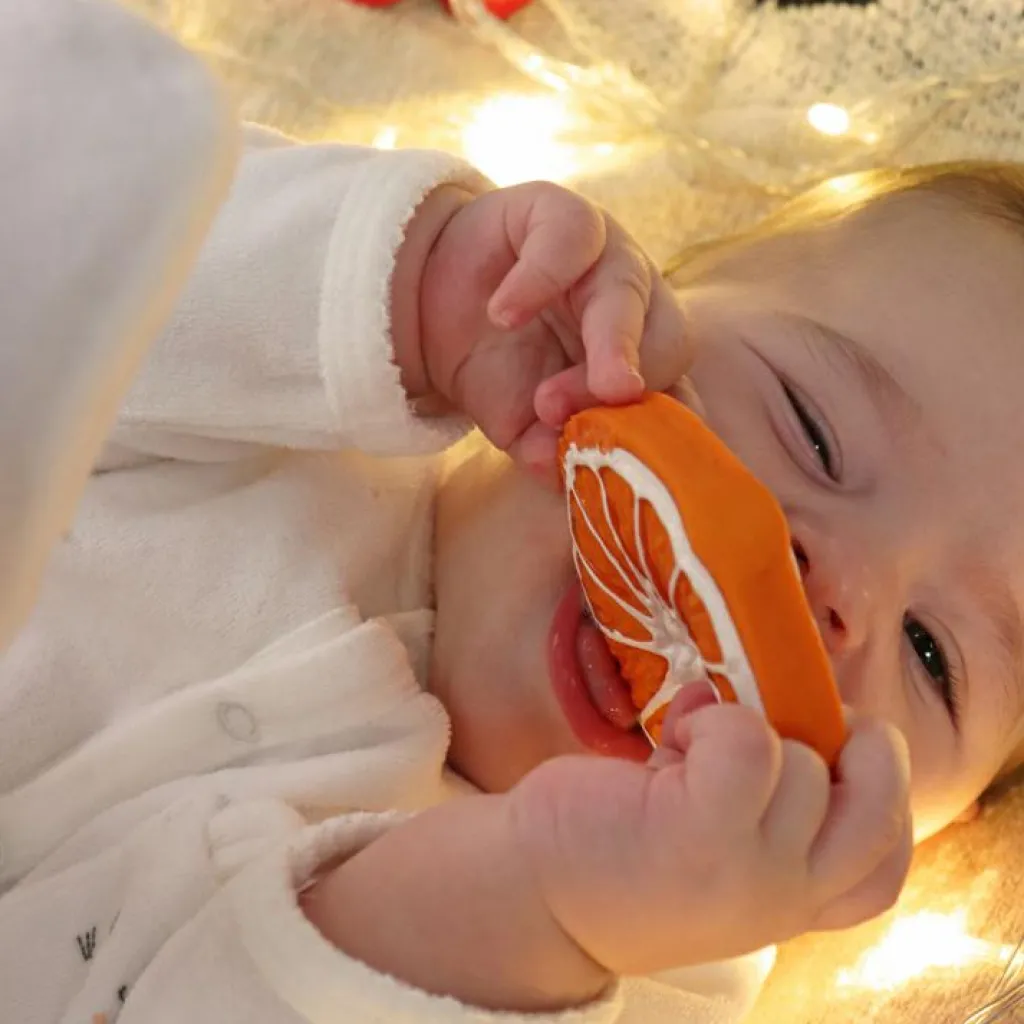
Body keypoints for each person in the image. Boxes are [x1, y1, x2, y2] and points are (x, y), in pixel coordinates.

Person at [3, 2, 1022, 1022]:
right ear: (644, 305)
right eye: (812, 428)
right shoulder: (318, 390)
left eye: (932, 656)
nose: (833, 589)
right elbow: (66, 225)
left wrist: (538, 908)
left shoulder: (661, 958)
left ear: (944, 827)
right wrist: (407, 284)